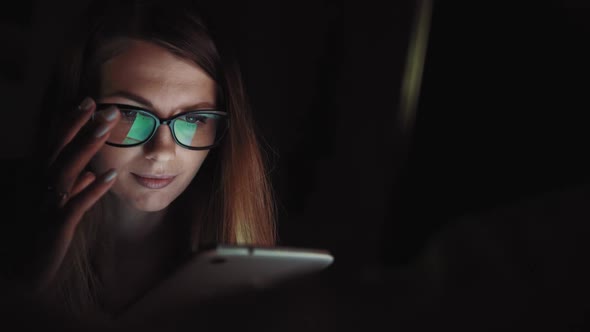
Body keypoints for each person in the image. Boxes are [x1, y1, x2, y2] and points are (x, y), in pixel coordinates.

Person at [4, 0, 276, 325]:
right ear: (76, 112)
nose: (161, 151)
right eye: (131, 114)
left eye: (194, 119)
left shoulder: (245, 263)